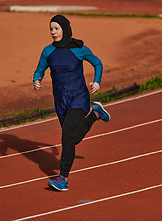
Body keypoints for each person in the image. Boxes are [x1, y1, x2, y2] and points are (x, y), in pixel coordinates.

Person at [33, 14, 110, 191]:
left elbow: (97, 63)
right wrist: (37, 79)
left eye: (56, 28)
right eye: (51, 29)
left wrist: (96, 81)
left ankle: (63, 178)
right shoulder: (48, 51)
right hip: (60, 101)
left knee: (66, 136)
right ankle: (96, 114)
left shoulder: (79, 48)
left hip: (79, 97)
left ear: (65, 29)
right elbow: (40, 69)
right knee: (73, 139)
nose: (53, 32)